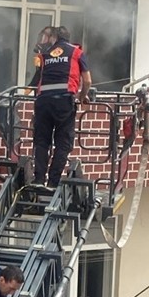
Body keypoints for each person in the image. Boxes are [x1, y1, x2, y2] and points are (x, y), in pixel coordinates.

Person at [29, 25, 91, 189]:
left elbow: (38, 78)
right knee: (63, 143)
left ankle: (38, 180)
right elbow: (88, 81)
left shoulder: (45, 54)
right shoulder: (76, 52)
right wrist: (82, 97)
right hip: (64, 101)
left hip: (43, 101)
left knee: (42, 141)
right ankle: (53, 183)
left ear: (55, 38)